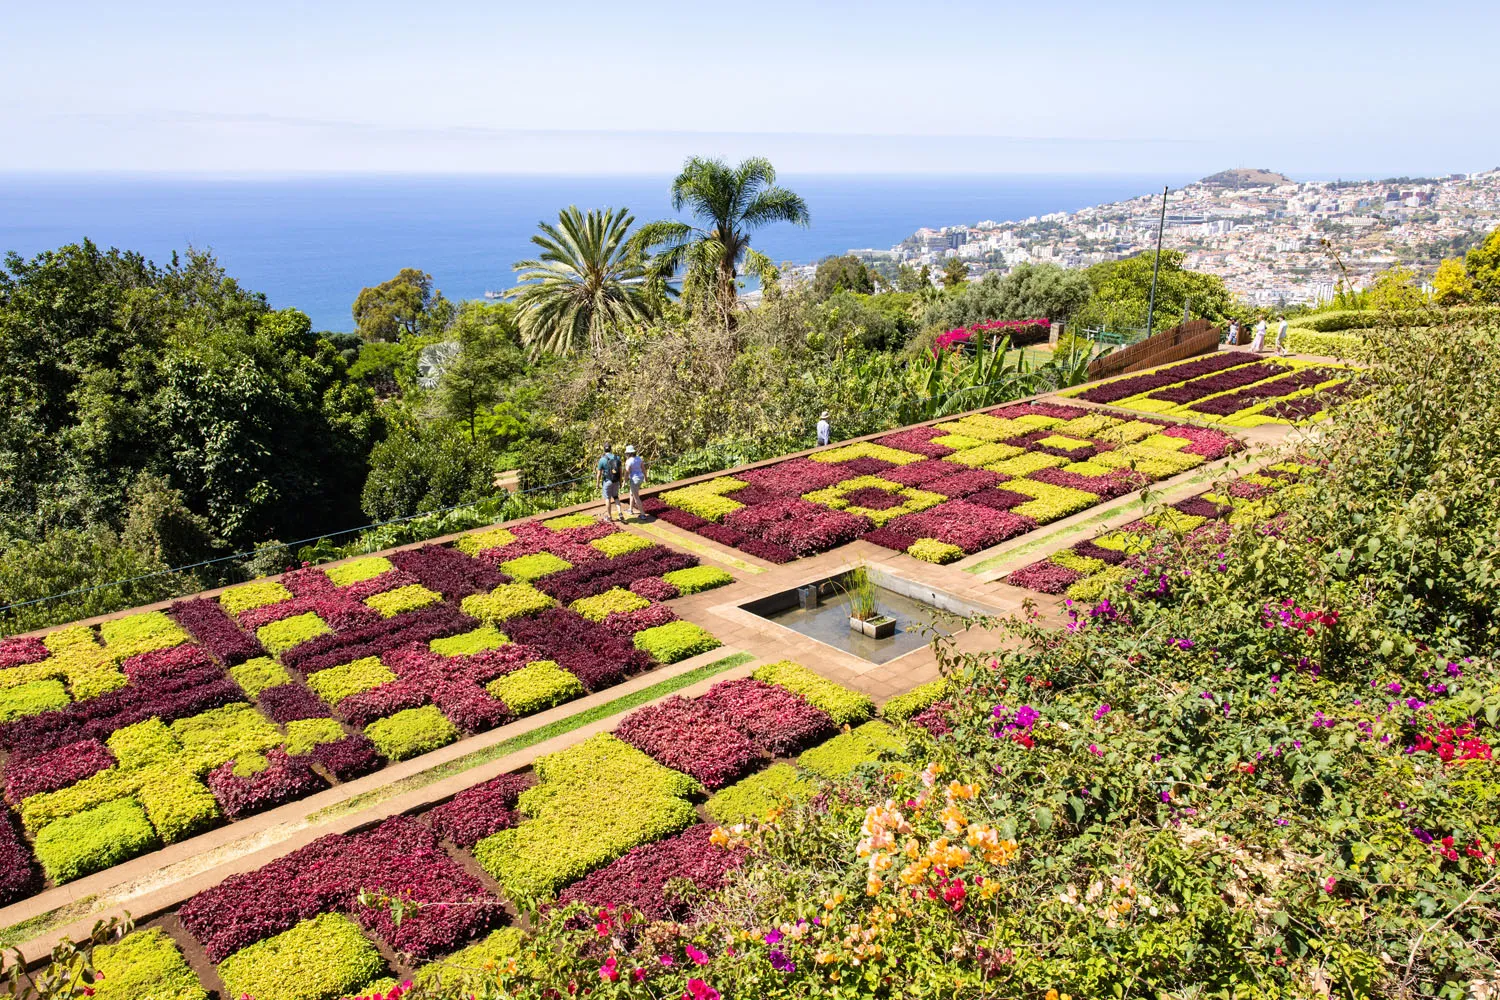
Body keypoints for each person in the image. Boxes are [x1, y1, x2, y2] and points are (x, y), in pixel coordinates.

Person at [595, 444, 622, 522]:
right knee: (616, 497)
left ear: (604, 450)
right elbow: (620, 472)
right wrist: (620, 482)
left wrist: (597, 484)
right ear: (611, 449)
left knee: (607, 498)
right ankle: (620, 513)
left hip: (607, 481)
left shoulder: (602, 460)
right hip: (616, 481)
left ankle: (609, 517)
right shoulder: (617, 458)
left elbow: (599, 474)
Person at [623, 444, 646, 519]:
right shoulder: (639, 459)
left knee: (636, 497)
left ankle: (642, 514)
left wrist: (624, 481)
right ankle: (630, 509)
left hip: (634, 480)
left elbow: (627, 472)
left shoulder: (628, 461)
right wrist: (646, 477)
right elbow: (643, 469)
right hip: (640, 478)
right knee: (631, 493)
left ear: (628, 453)